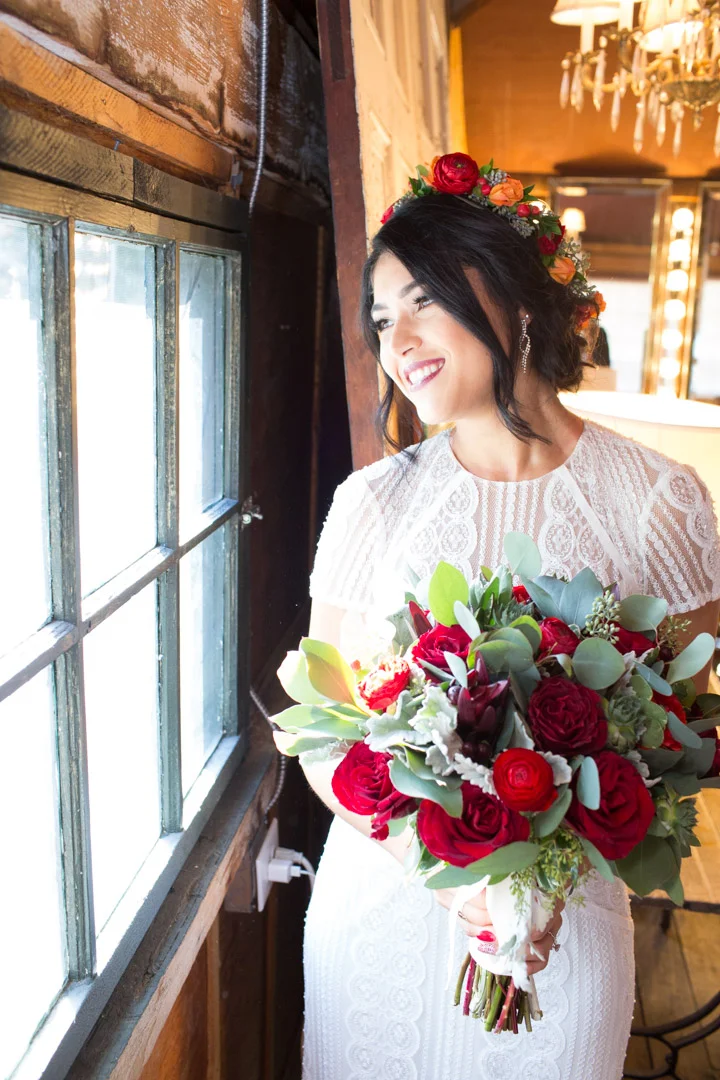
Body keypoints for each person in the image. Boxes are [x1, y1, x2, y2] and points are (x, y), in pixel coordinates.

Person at [297, 154, 720, 1079]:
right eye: (382, 319)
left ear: (513, 297)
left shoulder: (663, 502)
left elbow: (681, 739)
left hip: (567, 925)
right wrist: (458, 888)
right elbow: (325, 736)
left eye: (422, 302)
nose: (398, 340)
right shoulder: (374, 503)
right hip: (383, 911)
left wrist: (539, 873)